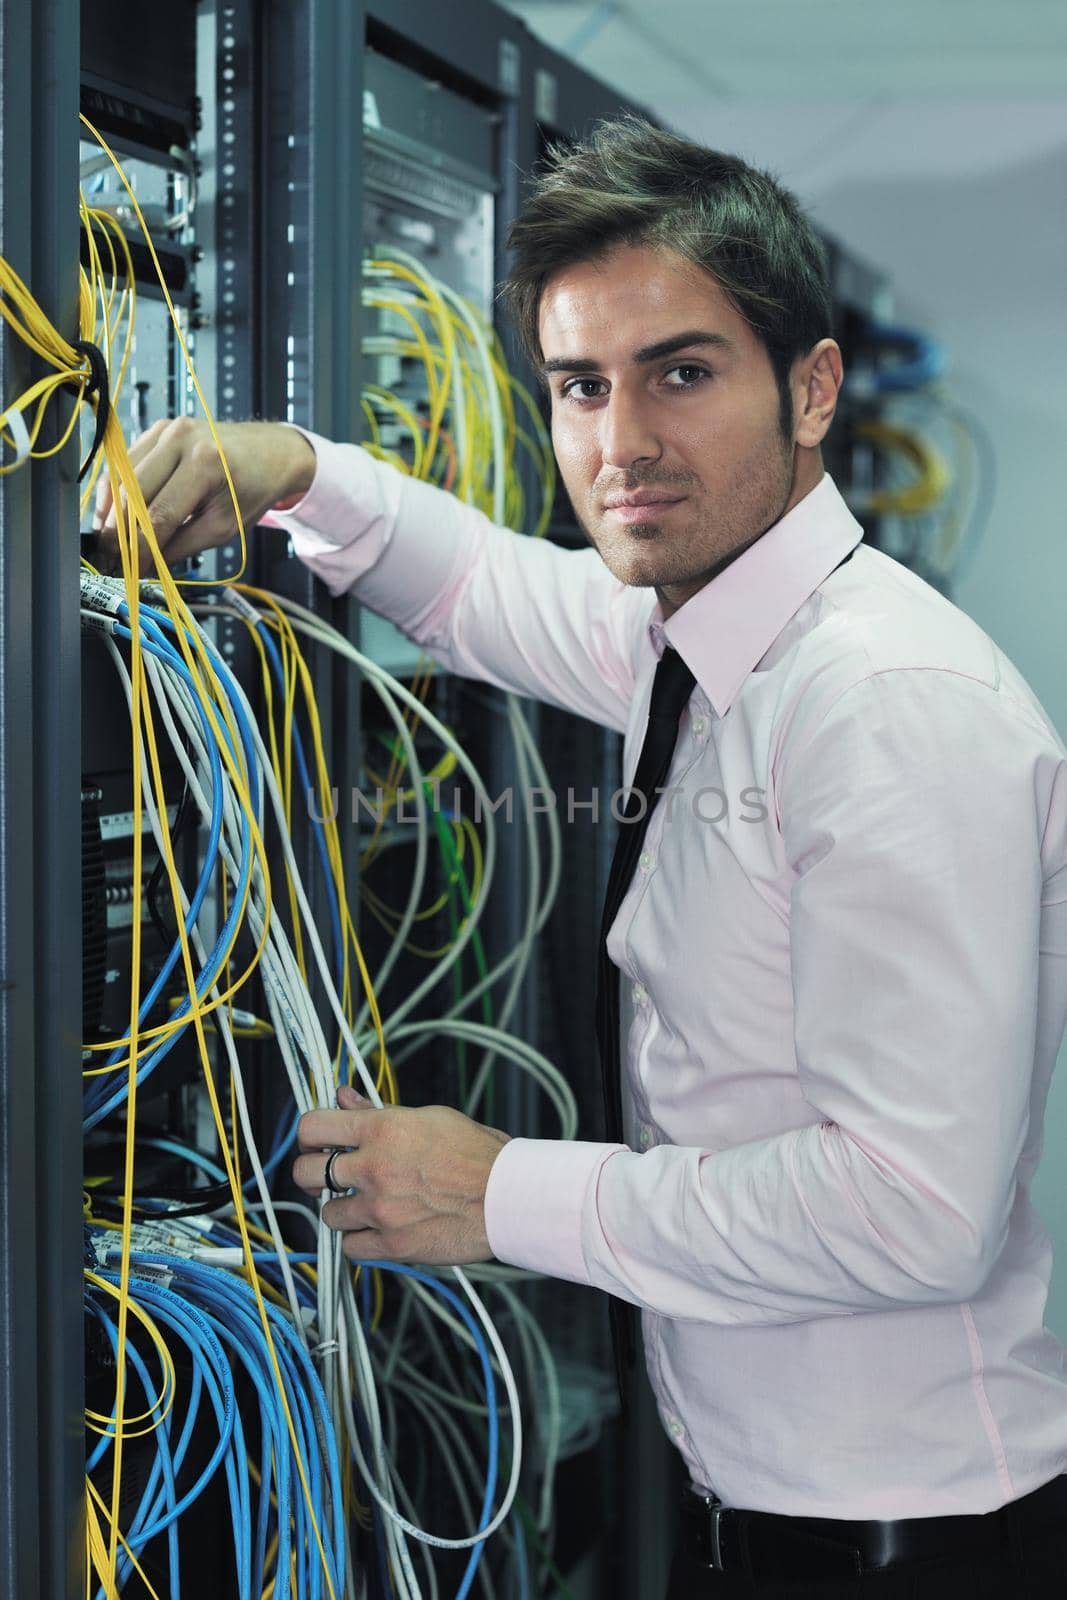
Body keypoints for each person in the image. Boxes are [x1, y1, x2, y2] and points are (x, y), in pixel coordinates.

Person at [97, 116, 1067, 1597]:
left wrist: (498, 1195)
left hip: (916, 1547)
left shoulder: (882, 706)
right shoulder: (704, 633)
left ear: (812, 389)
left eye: (682, 373)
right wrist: (296, 468)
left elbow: (907, 1209)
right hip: (781, 1514)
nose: (623, 444)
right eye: (580, 387)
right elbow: (490, 587)